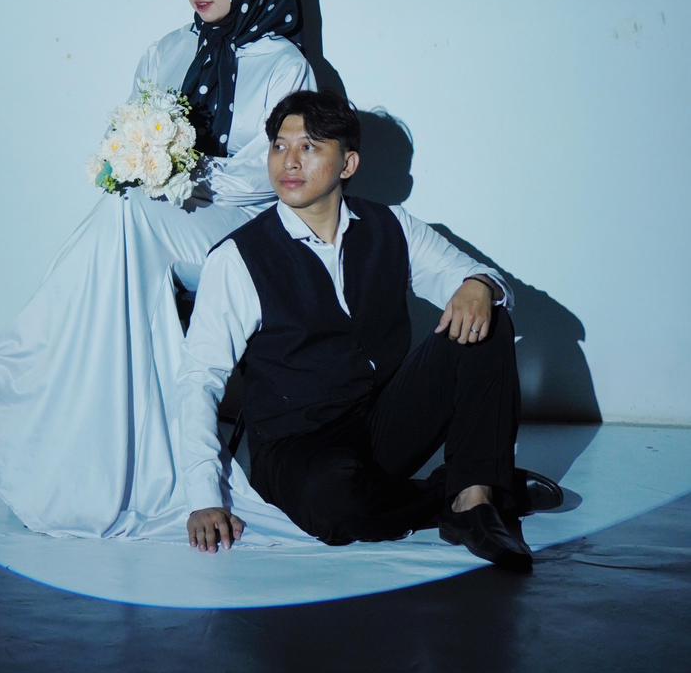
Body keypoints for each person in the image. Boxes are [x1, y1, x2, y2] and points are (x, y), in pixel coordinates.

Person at [0, 0, 349, 537]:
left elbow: (276, 174)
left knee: (128, 216)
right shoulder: (165, 51)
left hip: (240, 234)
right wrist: (139, 165)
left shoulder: (284, 64)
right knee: (124, 211)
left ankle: (4, 372)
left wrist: (181, 175)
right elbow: (128, 133)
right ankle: (94, 448)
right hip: (159, 222)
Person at [180, 89, 559, 571]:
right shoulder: (237, 259)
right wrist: (203, 498)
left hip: (381, 425)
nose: (289, 162)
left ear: (348, 163)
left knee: (486, 314)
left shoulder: (391, 226)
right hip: (299, 447)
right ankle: (473, 488)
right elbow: (200, 379)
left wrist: (479, 284)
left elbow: (476, 279)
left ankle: (474, 501)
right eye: (279, 146)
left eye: (309, 147)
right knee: (337, 507)